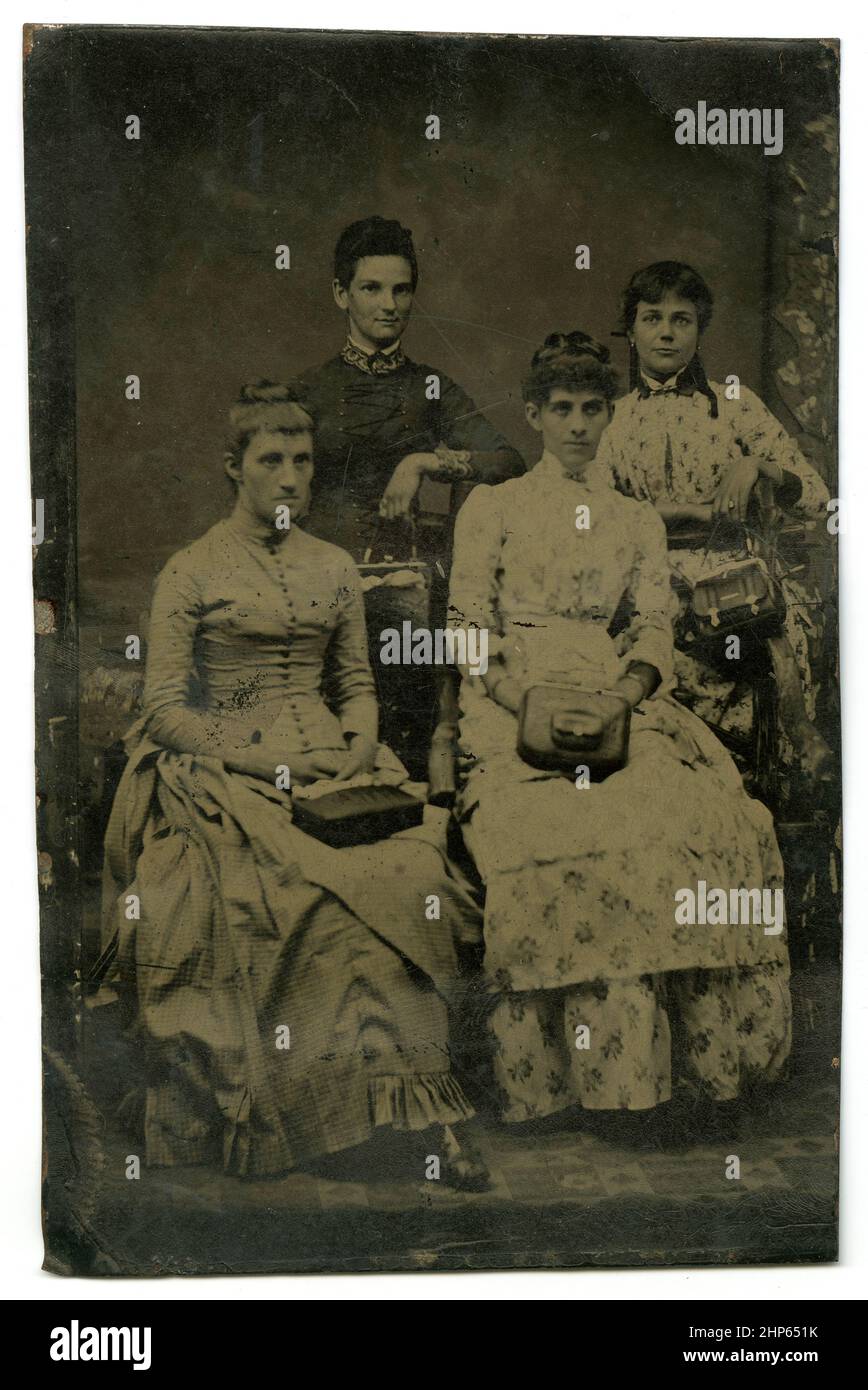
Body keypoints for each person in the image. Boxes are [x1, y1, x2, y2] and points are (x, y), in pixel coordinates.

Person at [99, 381, 488, 1186]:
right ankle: (337, 1118)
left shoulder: (334, 565)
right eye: (270, 460)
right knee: (304, 902)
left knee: (410, 873)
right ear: (232, 469)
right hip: (227, 770)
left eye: (302, 462)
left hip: (339, 772)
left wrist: (360, 750)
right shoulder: (192, 570)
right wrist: (260, 756)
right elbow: (167, 711)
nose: (289, 478)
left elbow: (356, 687)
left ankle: (421, 1109)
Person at [447, 333, 791, 1125]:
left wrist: (628, 697)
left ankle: (674, 1083)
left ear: (610, 415)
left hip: (614, 702)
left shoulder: (636, 519)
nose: (576, 425)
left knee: (698, 820)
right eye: (560, 409)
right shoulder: (493, 508)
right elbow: (464, 627)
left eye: (591, 409)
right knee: (557, 825)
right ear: (534, 414)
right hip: (513, 705)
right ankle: (567, 1086)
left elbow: (653, 629)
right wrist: (518, 699)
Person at [594, 261, 832, 780]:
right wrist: (684, 514)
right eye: (652, 317)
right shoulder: (610, 420)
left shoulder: (735, 404)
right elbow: (591, 516)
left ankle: (771, 783)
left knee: (773, 638)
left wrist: (758, 465)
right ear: (631, 331)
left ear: (699, 330)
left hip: (738, 577)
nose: (665, 331)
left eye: (682, 319)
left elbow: (815, 497)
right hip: (647, 579)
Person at [299, 215, 524, 558]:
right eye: (371, 288)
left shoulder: (430, 386)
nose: (389, 305)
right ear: (341, 294)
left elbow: (509, 463)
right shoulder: (307, 389)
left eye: (401, 290)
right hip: (315, 573)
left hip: (401, 572)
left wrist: (419, 463)